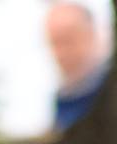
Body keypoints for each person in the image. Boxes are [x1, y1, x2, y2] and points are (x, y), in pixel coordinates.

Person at [47, 1, 110, 130]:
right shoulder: (63, 97)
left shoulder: (108, 93)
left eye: (68, 40)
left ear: (91, 35)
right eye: (54, 43)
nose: (61, 53)